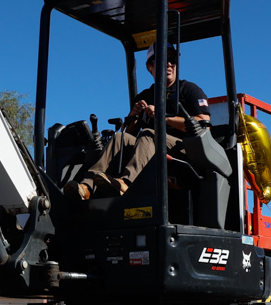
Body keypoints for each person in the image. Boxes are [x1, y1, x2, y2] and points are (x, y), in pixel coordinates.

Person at [65, 42, 211, 199]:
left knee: (149, 134)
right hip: (149, 150)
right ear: (150, 67)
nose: (169, 64)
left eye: (172, 60)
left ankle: (126, 183)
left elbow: (204, 125)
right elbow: (128, 135)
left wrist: (163, 117)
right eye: (162, 60)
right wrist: (134, 115)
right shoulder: (145, 96)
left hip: (184, 150)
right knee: (119, 138)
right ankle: (87, 187)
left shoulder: (189, 90)